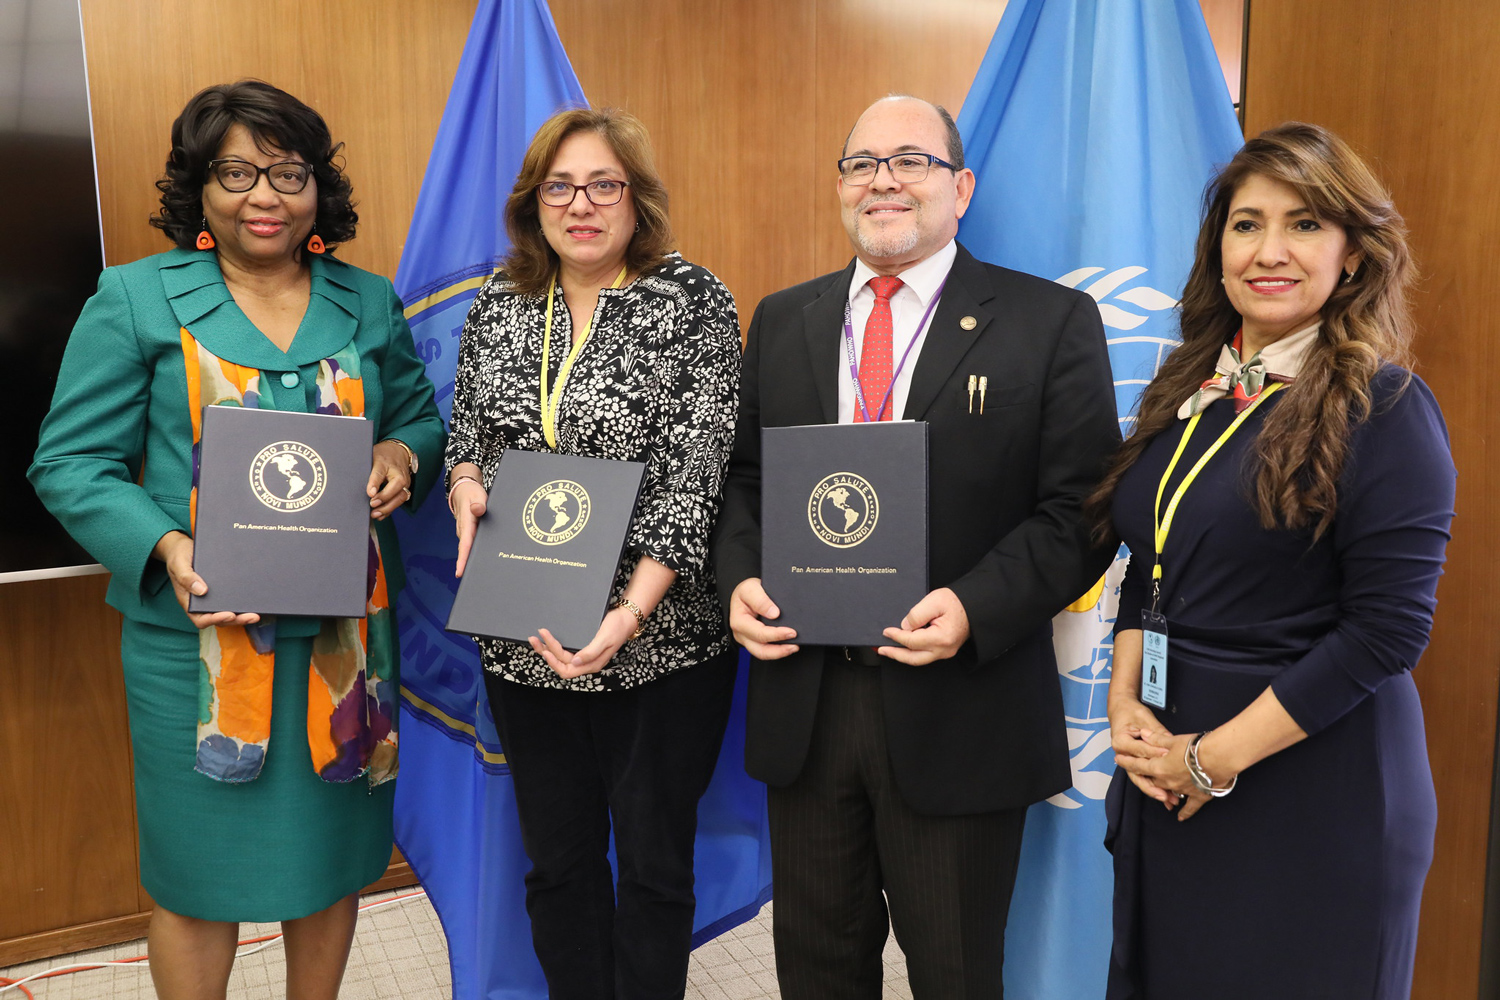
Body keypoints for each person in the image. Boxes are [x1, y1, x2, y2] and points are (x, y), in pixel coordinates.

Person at [27, 81, 443, 1000]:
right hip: (199, 648)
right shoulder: (136, 298)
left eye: (288, 172)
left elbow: (417, 418)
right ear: (200, 188)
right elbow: (70, 463)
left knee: (334, 868)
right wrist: (169, 548)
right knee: (197, 882)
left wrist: (400, 458)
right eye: (238, 171)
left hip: (348, 649)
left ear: (317, 188)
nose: (266, 195)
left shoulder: (367, 299)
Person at [711, 95, 1120, 999]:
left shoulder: (1048, 321)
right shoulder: (785, 319)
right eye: (861, 163)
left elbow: (1082, 512)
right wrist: (738, 576)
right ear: (841, 187)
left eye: (911, 160)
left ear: (961, 186)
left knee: (957, 972)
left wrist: (975, 606)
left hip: (961, 705)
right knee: (816, 970)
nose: (883, 180)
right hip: (807, 703)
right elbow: (745, 481)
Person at [1098, 122, 1455, 1000]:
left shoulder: (1388, 406)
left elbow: (1386, 632)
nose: (1270, 250)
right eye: (1247, 223)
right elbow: (1155, 560)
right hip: (1176, 770)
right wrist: (1126, 694)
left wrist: (1211, 760)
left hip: (1312, 785)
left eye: (1303, 225)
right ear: (1218, 245)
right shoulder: (1191, 388)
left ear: (1354, 256)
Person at [444, 107, 741, 1000]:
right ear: (533, 203)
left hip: (662, 642)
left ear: (635, 198)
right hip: (522, 631)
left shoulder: (693, 299)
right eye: (560, 186)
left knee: (653, 866)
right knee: (558, 864)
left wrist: (628, 612)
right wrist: (463, 479)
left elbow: (698, 475)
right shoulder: (500, 304)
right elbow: (469, 430)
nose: (581, 205)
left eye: (603, 184)